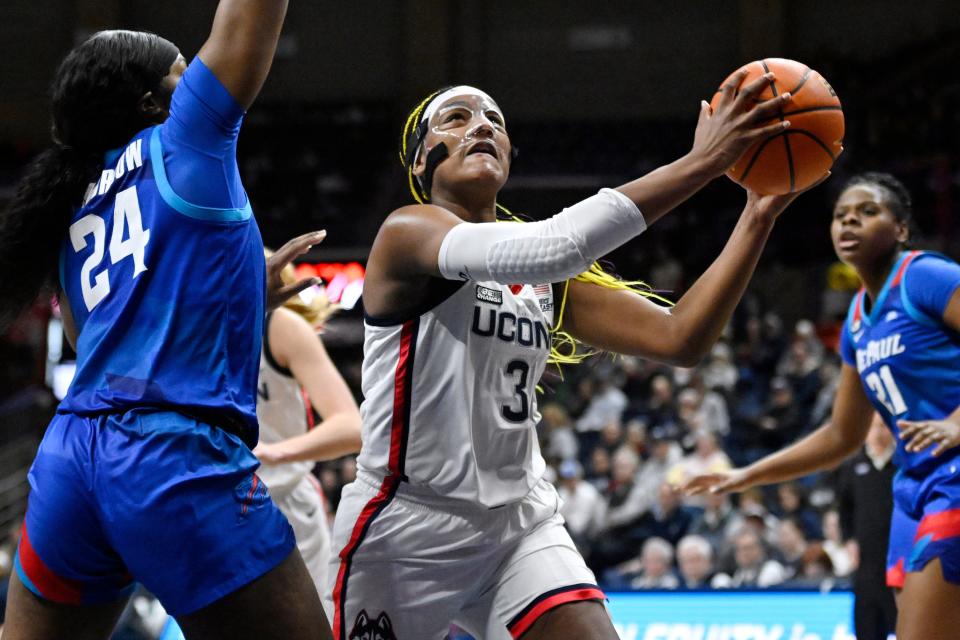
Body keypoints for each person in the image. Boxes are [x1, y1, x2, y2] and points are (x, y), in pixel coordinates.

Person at [328, 74, 810, 640]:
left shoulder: (539, 275)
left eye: (494, 121)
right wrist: (703, 162)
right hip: (405, 529)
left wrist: (757, 217)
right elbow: (553, 246)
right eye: (456, 118)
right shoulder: (409, 232)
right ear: (420, 164)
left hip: (517, 526)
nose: (481, 124)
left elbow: (682, 338)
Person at [0, 4, 333, 639]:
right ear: (154, 101)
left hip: (69, 464)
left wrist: (234, 291)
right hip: (172, 458)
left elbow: (94, 337)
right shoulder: (186, 134)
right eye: (186, 69)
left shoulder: (70, 202)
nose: (199, 73)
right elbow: (246, 20)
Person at [684, 172, 960, 640]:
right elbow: (841, 435)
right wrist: (748, 475)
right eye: (840, 216)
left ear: (901, 230)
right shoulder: (856, 320)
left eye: (868, 212)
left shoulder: (925, 276)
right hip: (911, 487)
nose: (849, 220)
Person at [253, 257, 362, 595]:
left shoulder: (278, 325)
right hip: (214, 508)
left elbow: (352, 427)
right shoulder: (192, 328)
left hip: (283, 505)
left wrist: (273, 452)